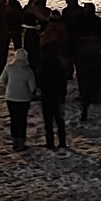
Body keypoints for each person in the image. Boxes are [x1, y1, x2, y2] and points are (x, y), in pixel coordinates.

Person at [36, 16, 71, 150]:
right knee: (59, 119)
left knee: (48, 121)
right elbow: (64, 79)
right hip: (57, 95)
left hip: (46, 95)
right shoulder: (59, 65)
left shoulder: (43, 65)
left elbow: (40, 80)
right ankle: (62, 141)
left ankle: (50, 142)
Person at [2, 44, 37, 148]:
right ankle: (21, 142)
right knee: (22, 120)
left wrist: (8, 86)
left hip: (11, 97)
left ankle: (14, 141)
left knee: (14, 119)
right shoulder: (28, 70)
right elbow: (32, 86)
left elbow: (2, 80)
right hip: (23, 98)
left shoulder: (9, 67)